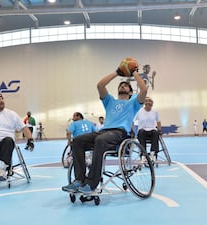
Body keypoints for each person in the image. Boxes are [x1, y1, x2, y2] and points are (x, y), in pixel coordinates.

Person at [62, 59, 147, 194]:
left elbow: (143, 89)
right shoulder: (110, 101)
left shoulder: (133, 103)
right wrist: (117, 72)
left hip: (119, 134)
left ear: (131, 92)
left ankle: (91, 184)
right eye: (121, 85)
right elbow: (100, 85)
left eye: (126, 86)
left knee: (100, 141)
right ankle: (79, 180)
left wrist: (134, 72)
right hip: (104, 132)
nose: (123, 86)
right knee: (77, 141)